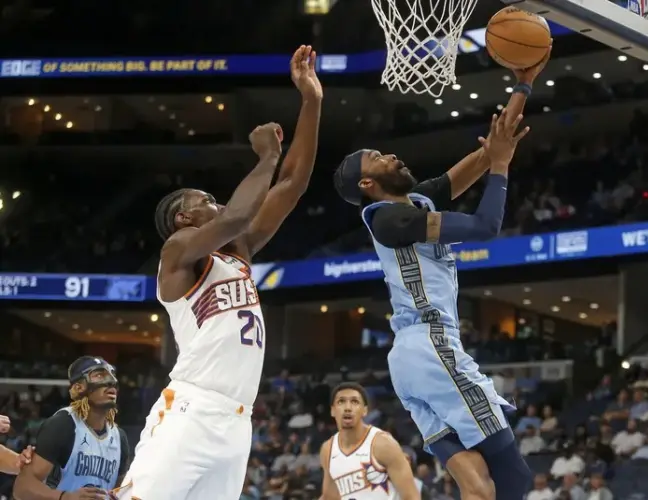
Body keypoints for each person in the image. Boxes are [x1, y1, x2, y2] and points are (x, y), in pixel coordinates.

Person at [331, 50, 550, 500]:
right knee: (513, 479)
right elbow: (487, 225)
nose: (390, 155)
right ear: (366, 185)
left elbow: (488, 151)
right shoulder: (388, 218)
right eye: (377, 158)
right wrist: (504, 166)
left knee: (479, 488)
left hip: (412, 358)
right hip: (430, 346)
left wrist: (523, 86)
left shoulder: (415, 201)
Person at [115, 45, 322, 500]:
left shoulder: (238, 251)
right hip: (191, 408)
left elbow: (292, 184)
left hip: (237, 420)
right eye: (205, 200)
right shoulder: (178, 254)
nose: (218, 204)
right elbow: (236, 217)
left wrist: (311, 100)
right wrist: (265, 157)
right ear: (183, 220)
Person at [13, 356, 130, 499]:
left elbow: (121, 493)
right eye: (99, 375)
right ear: (78, 387)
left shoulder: (119, 437)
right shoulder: (63, 424)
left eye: (112, 375)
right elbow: (22, 487)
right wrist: (66, 497)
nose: (111, 381)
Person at [320, 382, 420, 500]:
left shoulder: (383, 444)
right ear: (332, 410)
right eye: (341, 402)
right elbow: (330, 497)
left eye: (354, 402)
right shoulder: (328, 449)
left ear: (365, 410)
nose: (347, 408)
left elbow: (411, 496)